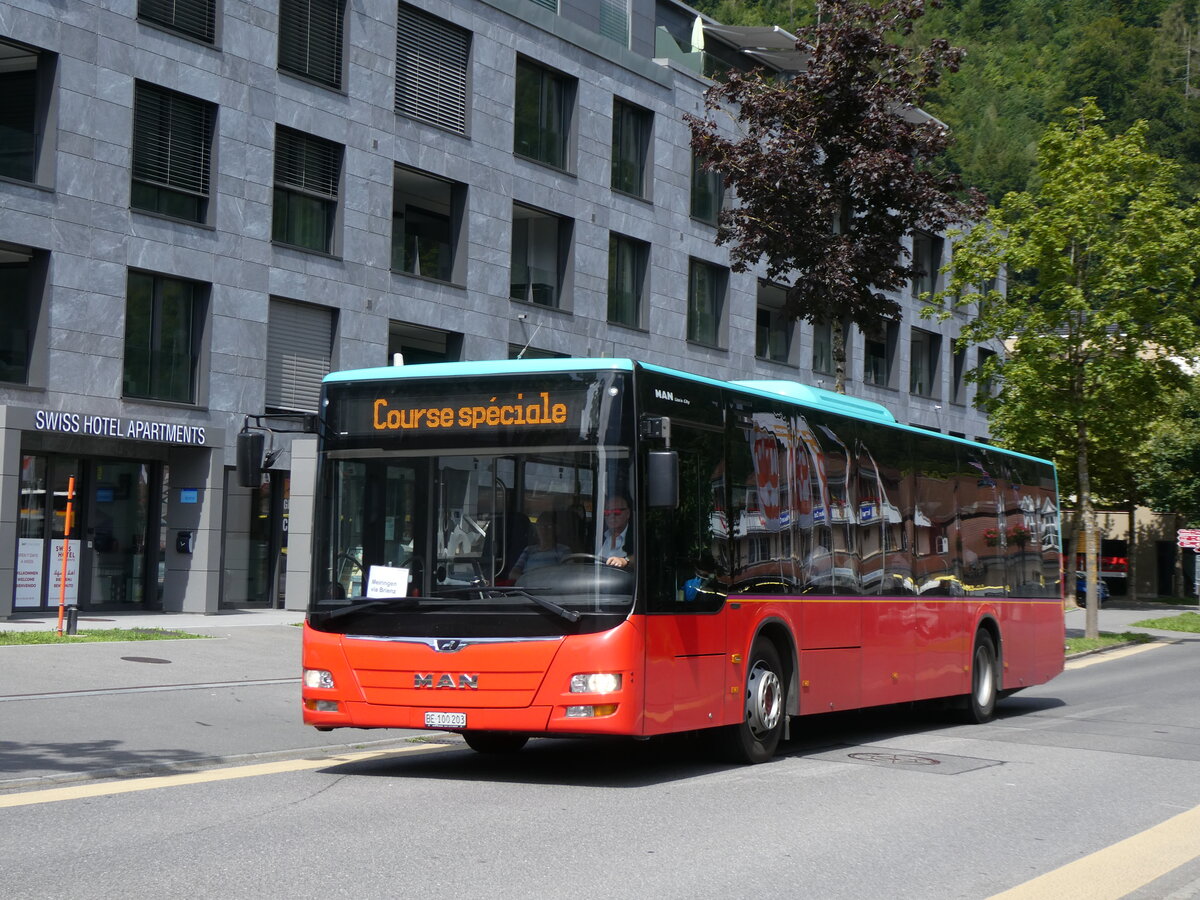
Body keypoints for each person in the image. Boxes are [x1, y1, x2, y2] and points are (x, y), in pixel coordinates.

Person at [508, 512, 570, 580]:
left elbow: (568, 575)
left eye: (549, 526)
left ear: (556, 529)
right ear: (536, 529)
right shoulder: (528, 550)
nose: (544, 530)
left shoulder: (563, 550)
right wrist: (529, 581)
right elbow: (512, 574)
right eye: (540, 526)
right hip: (527, 587)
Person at [600, 494, 633, 569]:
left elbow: (642, 555)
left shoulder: (636, 536)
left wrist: (624, 561)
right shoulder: (599, 536)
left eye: (616, 512)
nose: (611, 516)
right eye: (607, 512)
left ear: (628, 513)